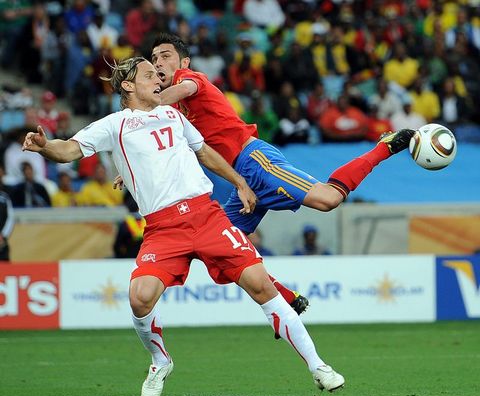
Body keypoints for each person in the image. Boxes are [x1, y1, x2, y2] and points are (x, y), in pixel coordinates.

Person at [23, 56, 345, 396]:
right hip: (163, 228)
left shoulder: (174, 116)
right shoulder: (114, 125)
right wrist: (46, 147)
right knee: (140, 297)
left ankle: (318, 366)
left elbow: (204, 152)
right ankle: (160, 360)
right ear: (128, 86)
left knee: (260, 283)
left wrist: (240, 182)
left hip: (206, 216)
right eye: (149, 75)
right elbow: (69, 149)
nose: (158, 79)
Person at [147, 33, 414, 309]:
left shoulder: (189, 79)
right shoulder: (172, 112)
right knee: (217, 250)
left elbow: (181, 91)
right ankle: (287, 297)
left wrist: (142, 104)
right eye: (154, 59)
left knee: (328, 199)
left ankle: (385, 147)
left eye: (165, 56)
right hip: (241, 179)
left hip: (256, 161)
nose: (158, 63)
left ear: (184, 62)